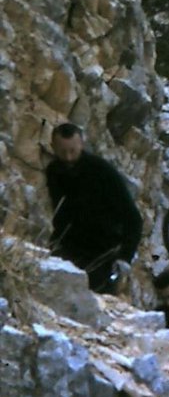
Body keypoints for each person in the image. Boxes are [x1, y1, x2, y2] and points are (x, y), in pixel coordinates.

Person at [45, 123, 143, 293]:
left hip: (103, 253)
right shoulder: (53, 172)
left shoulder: (102, 171)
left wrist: (125, 257)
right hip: (69, 249)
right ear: (53, 147)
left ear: (81, 145)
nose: (68, 157)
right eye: (62, 152)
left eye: (73, 151)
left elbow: (133, 218)